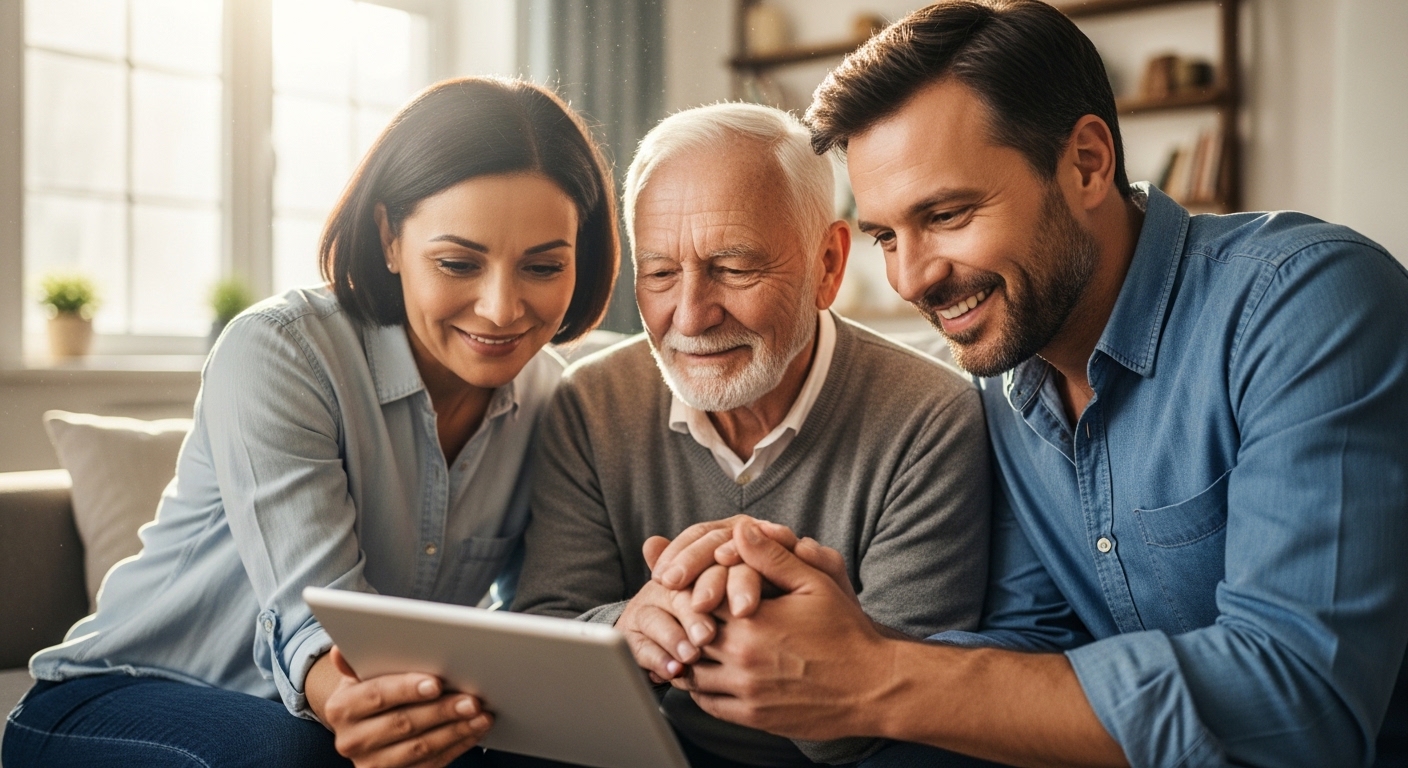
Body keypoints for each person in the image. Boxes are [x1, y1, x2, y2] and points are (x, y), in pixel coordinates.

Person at [644, 2, 1408, 767]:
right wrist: (834, 634)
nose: (911, 279)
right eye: (885, 235)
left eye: (945, 214)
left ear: (1085, 163)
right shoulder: (998, 378)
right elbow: (1032, 641)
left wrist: (879, 675)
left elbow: (1303, 705)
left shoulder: (1304, 304)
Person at [3, 76, 619, 768]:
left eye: (543, 266)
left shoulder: (556, 403)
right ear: (390, 238)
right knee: (294, 755)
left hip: (340, 708)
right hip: (116, 699)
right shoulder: (280, 351)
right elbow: (313, 628)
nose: (503, 309)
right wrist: (360, 709)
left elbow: (546, 623)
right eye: (457, 262)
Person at [506, 102, 991, 767]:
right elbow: (543, 642)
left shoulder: (930, 419)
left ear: (827, 265)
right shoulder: (591, 403)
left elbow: (899, 717)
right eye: (660, 274)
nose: (692, 316)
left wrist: (821, 656)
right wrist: (628, 629)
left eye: (734, 270)